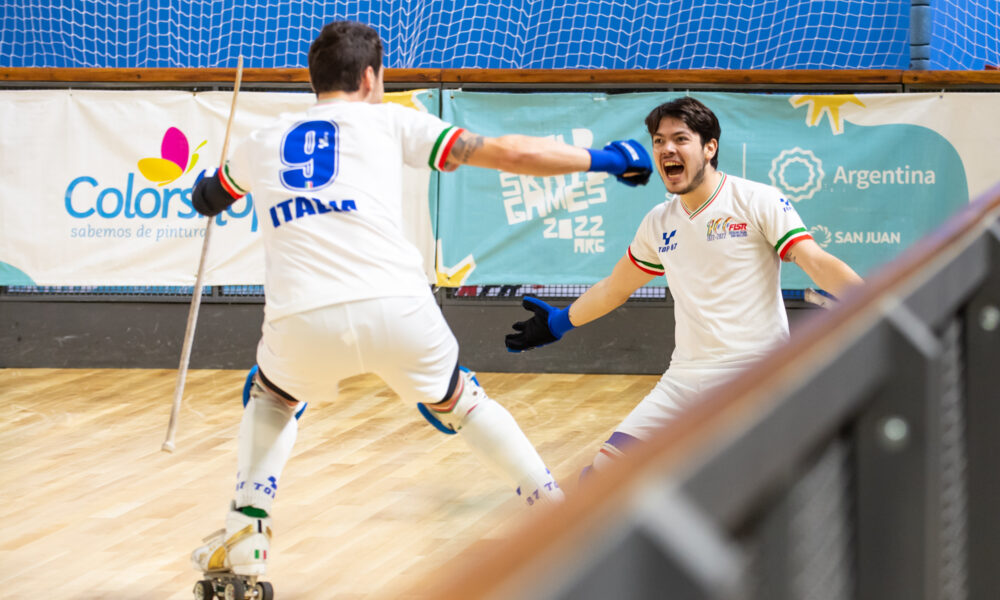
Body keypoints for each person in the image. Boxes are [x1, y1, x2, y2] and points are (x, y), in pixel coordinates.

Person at [186, 20, 654, 580]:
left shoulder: (262, 141)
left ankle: (248, 526)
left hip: (302, 318)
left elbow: (209, 195)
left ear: (315, 81)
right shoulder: (392, 120)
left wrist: (206, 193)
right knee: (461, 401)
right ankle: (554, 512)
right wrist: (608, 159)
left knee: (271, 395)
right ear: (370, 77)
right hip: (397, 307)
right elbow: (511, 155)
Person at [505, 96, 863, 474]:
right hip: (682, 381)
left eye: (680, 139)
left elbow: (815, 261)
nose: (667, 149)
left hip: (755, 376)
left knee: (728, 486)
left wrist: (879, 302)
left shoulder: (757, 200)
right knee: (601, 476)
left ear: (710, 148)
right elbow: (615, 288)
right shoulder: (658, 222)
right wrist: (557, 323)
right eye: (659, 141)